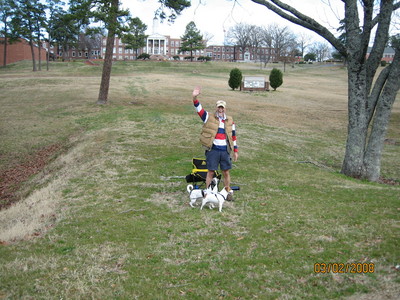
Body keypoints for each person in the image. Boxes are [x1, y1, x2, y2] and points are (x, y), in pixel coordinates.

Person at [192, 86, 238, 201]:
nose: (220, 110)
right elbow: (199, 109)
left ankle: (227, 193)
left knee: (226, 172)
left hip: (225, 151)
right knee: (210, 172)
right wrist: (194, 97)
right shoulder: (209, 117)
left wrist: (235, 151)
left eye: (222, 108)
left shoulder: (230, 120)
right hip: (213, 150)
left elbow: (233, 136)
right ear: (216, 108)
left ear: (225, 109)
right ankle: (207, 193)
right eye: (219, 108)